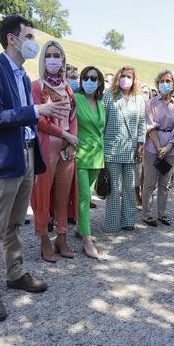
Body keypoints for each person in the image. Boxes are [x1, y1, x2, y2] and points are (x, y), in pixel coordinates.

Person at [0, 15, 70, 321]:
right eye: (28, 36)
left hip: (27, 155)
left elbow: (24, 116)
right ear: (11, 39)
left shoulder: (21, 74)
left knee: (15, 222)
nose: (34, 42)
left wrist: (41, 113)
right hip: (4, 160)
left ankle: (15, 273)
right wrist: (36, 110)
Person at [30, 41, 78, 262]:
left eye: (56, 55)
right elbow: (39, 120)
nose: (52, 59)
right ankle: (43, 239)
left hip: (67, 147)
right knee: (42, 194)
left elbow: (72, 117)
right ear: (43, 59)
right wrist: (65, 135)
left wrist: (71, 140)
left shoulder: (68, 87)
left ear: (63, 59)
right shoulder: (36, 86)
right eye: (48, 55)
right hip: (47, 144)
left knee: (63, 193)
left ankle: (61, 236)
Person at [103, 66, 146, 232]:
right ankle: (112, 224)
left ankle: (128, 221)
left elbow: (142, 123)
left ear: (134, 79)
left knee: (129, 187)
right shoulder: (108, 96)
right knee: (114, 189)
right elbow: (102, 123)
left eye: (129, 76)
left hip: (131, 150)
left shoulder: (139, 99)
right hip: (112, 149)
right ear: (117, 77)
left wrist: (141, 145)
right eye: (123, 75)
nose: (125, 79)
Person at [142, 70, 174, 227]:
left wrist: (168, 146)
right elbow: (149, 125)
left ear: (173, 84)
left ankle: (161, 213)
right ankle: (146, 214)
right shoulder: (151, 103)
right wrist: (159, 146)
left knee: (164, 184)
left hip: (171, 148)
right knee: (149, 183)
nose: (164, 84)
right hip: (153, 146)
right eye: (161, 81)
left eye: (168, 81)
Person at [74, 66, 106, 259]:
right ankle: (86, 239)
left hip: (97, 156)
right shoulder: (75, 99)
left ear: (99, 82)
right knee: (84, 197)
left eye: (93, 78)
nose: (89, 81)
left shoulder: (101, 102)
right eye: (86, 77)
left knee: (87, 197)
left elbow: (100, 129)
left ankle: (80, 227)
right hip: (80, 154)